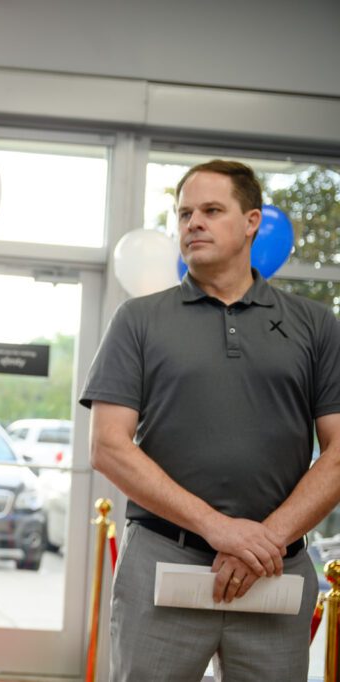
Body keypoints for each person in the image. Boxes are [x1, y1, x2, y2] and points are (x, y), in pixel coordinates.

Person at [81, 159, 340, 681]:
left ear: (251, 222)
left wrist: (262, 541)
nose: (192, 223)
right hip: (163, 562)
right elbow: (109, 446)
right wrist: (221, 530)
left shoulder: (314, 324)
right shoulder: (139, 319)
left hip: (276, 569)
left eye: (211, 210)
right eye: (183, 214)